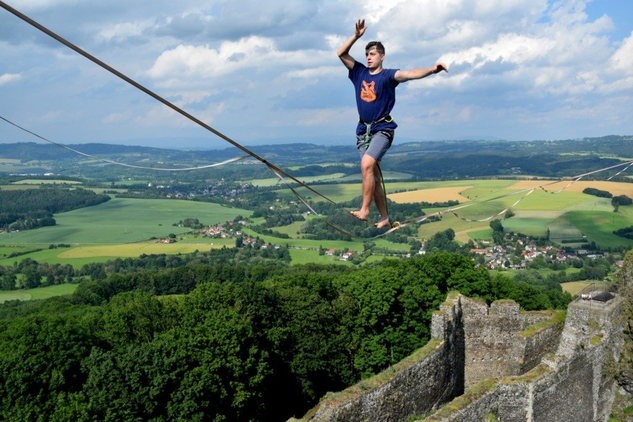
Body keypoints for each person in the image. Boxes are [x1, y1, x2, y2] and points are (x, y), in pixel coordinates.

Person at [337, 19, 447, 228]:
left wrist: (432, 69)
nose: (369, 57)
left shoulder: (388, 76)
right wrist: (356, 36)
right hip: (363, 131)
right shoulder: (358, 72)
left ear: (382, 56)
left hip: (382, 129)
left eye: (373, 54)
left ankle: (365, 210)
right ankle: (385, 217)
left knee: (367, 165)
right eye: (367, 54)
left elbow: (410, 74)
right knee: (373, 177)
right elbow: (341, 54)